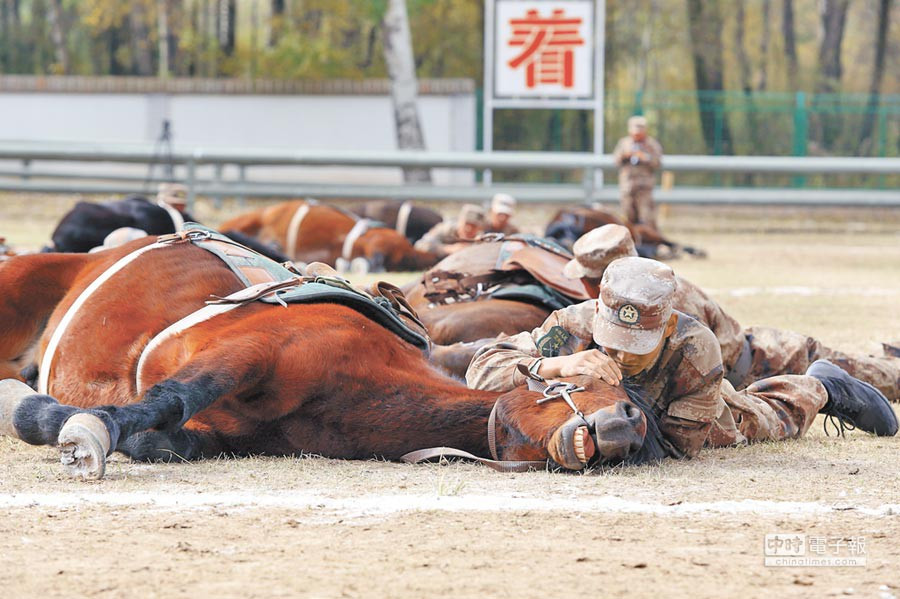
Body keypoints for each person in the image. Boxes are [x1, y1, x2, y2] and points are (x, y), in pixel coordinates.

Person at [466, 257, 897, 460]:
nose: (617, 353)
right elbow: (481, 373)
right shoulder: (570, 326)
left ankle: (822, 385)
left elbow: (677, 446)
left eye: (635, 346)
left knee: (770, 420)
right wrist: (557, 366)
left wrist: (607, 404)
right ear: (596, 312)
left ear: (667, 328)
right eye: (611, 340)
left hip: (699, 413)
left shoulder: (695, 347)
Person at [559, 224, 900, 400]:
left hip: (766, 361)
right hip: (754, 354)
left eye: (590, 279)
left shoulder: (660, 304)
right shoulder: (651, 288)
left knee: (877, 378)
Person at [613, 116, 663, 228]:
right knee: (627, 217)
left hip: (644, 187)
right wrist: (625, 155)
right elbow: (616, 161)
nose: (637, 135)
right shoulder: (624, 143)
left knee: (646, 218)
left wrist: (645, 157)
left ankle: (648, 241)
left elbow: (657, 162)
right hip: (627, 186)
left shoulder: (651, 144)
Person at [414, 203, 485, 259]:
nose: (468, 229)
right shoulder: (446, 229)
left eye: (473, 226)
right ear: (460, 221)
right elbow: (420, 245)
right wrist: (447, 249)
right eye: (466, 223)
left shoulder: (481, 240)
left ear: (480, 228)